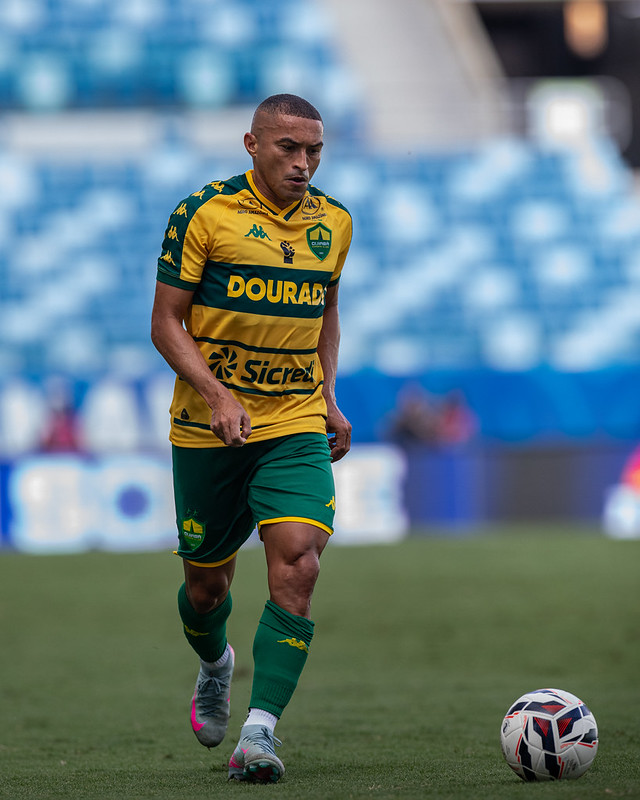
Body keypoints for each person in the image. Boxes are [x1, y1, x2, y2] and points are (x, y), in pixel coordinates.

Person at [150, 94, 352, 784]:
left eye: (314, 151)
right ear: (251, 144)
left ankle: (259, 734)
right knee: (207, 589)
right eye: (289, 149)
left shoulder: (335, 222)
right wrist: (216, 394)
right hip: (209, 427)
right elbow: (166, 324)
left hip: (292, 419)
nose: (303, 164)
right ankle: (215, 664)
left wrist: (328, 395)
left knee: (299, 562)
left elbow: (324, 308)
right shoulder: (202, 214)